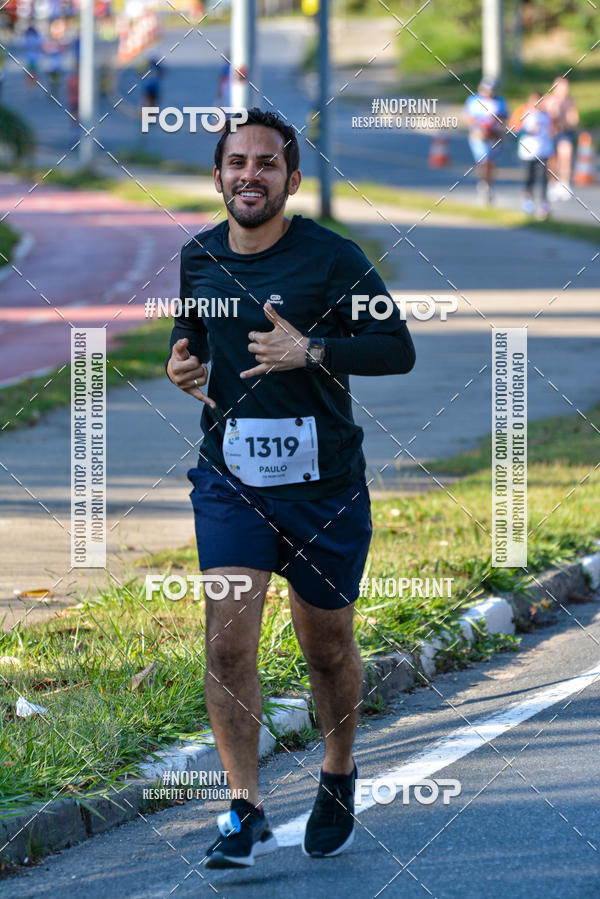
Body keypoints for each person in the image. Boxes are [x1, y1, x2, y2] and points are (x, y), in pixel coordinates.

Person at [166, 108, 416, 868]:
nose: (250, 174)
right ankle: (243, 807)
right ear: (218, 178)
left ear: (291, 179)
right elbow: (191, 337)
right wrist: (181, 366)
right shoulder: (199, 256)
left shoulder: (334, 261)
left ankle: (337, 769)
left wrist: (312, 349)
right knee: (228, 641)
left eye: (266, 163)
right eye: (236, 163)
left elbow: (396, 348)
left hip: (325, 486)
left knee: (328, 648)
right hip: (231, 479)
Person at [463, 76, 509, 204]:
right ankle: (483, 184)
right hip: (479, 136)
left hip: (494, 136)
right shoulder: (474, 100)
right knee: (484, 159)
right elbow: (467, 117)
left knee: (491, 162)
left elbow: (504, 119)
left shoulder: (500, 101)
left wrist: (500, 131)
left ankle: (489, 184)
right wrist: (478, 128)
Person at [515, 91, 553, 220]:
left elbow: (554, 129)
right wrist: (527, 130)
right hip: (528, 152)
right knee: (528, 177)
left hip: (543, 151)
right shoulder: (524, 112)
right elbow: (514, 129)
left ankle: (543, 204)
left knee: (543, 178)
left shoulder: (547, 115)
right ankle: (528, 201)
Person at [545, 76, 579, 201]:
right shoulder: (548, 100)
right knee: (552, 160)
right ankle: (552, 184)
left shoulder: (569, 102)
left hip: (564, 133)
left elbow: (574, 120)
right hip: (550, 135)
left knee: (566, 154)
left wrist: (566, 119)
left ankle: (564, 183)